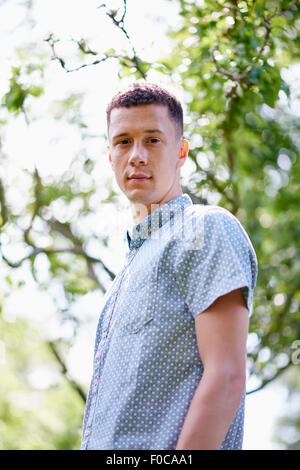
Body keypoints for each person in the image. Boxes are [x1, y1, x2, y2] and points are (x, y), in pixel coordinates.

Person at [80, 82, 258, 450]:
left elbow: (225, 377)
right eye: (123, 141)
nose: (137, 155)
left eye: (153, 140)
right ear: (110, 155)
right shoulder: (127, 271)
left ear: (181, 151)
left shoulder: (205, 228)